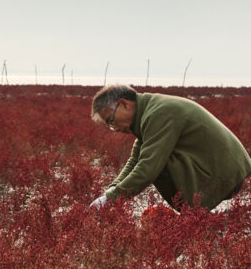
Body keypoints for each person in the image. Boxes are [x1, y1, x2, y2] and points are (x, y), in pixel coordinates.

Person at [89, 85, 251, 211]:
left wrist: (111, 199)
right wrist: (111, 190)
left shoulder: (159, 113)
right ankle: (193, 217)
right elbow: (135, 159)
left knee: (157, 165)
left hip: (226, 176)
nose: (114, 128)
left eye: (111, 121)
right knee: (153, 160)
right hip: (222, 171)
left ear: (124, 104)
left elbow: (147, 168)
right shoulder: (149, 112)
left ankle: (193, 217)